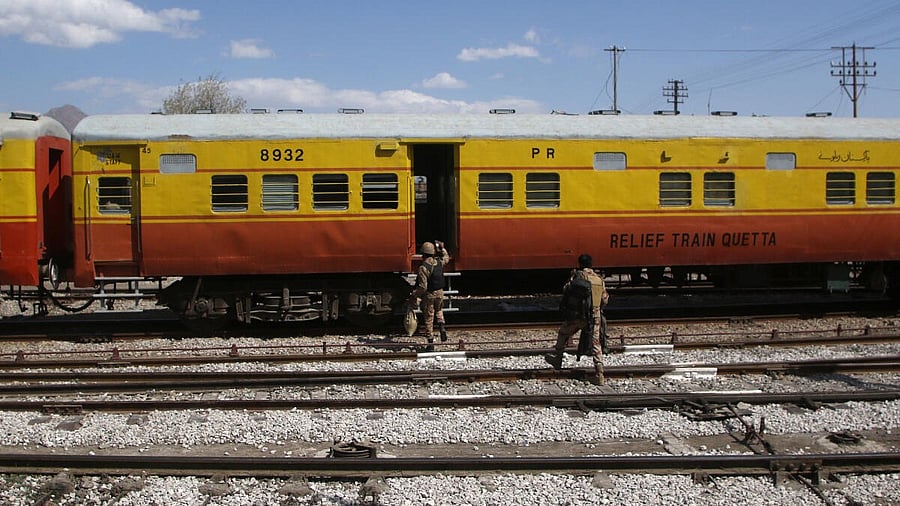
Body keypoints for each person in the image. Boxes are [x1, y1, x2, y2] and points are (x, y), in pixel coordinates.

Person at [545, 253, 610, 385]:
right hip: (595, 316)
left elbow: (566, 290)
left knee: (563, 332)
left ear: (580, 264)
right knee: (596, 344)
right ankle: (599, 374)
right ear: (591, 265)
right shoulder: (599, 279)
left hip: (578, 315)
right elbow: (605, 299)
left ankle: (557, 359)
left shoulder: (577, 276)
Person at [410, 240, 451, 352]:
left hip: (430, 294)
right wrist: (442, 248)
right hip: (440, 292)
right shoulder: (439, 262)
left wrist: (414, 294)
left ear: (423, 254)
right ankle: (442, 326)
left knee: (429, 318)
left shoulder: (423, 268)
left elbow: (423, 287)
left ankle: (430, 342)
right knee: (439, 310)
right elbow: (446, 257)